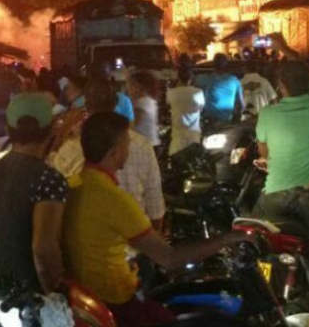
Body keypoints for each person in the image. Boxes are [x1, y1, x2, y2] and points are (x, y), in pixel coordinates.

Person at [63, 111, 249, 327]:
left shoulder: (74, 184)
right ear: (114, 153)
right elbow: (168, 258)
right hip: (118, 300)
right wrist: (227, 239)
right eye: (126, 144)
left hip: (90, 293)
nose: (129, 149)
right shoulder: (114, 198)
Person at [0, 93, 67, 327]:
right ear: (50, 131)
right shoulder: (49, 178)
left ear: (9, 130)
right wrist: (55, 293)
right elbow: (42, 247)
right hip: (31, 302)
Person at [251, 61, 309, 321]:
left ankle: (256, 296)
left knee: (252, 239)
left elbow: (263, 153)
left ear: (281, 86)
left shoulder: (268, 114)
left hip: (275, 196)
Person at [50, 83, 165, 229]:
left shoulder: (74, 145)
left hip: (91, 243)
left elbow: (55, 178)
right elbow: (155, 206)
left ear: (86, 106)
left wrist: (62, 134)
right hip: (136, 242)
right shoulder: (141, 144)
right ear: (115, 103)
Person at [195, 53, 244, 126]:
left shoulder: (205, 78)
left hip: (210, 121)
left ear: (213, 64)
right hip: (228, 122)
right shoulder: (234, 80)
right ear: (226, 64)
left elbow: (193, 85)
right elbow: (241, 104)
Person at [167, 65, 205, 155]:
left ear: (178, 77)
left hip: (177, 136)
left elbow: (169, 105)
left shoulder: (171, 93)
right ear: (191, 77)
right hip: (194, 135)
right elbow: (201, 109)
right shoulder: (198, 92)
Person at [128, 70, 161, 148]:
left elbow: (131, 125)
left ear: (139, 87)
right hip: (151, 143)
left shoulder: (142, 103)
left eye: (131, 85)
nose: (128, 89)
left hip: (146, 146)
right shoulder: (149, 100)